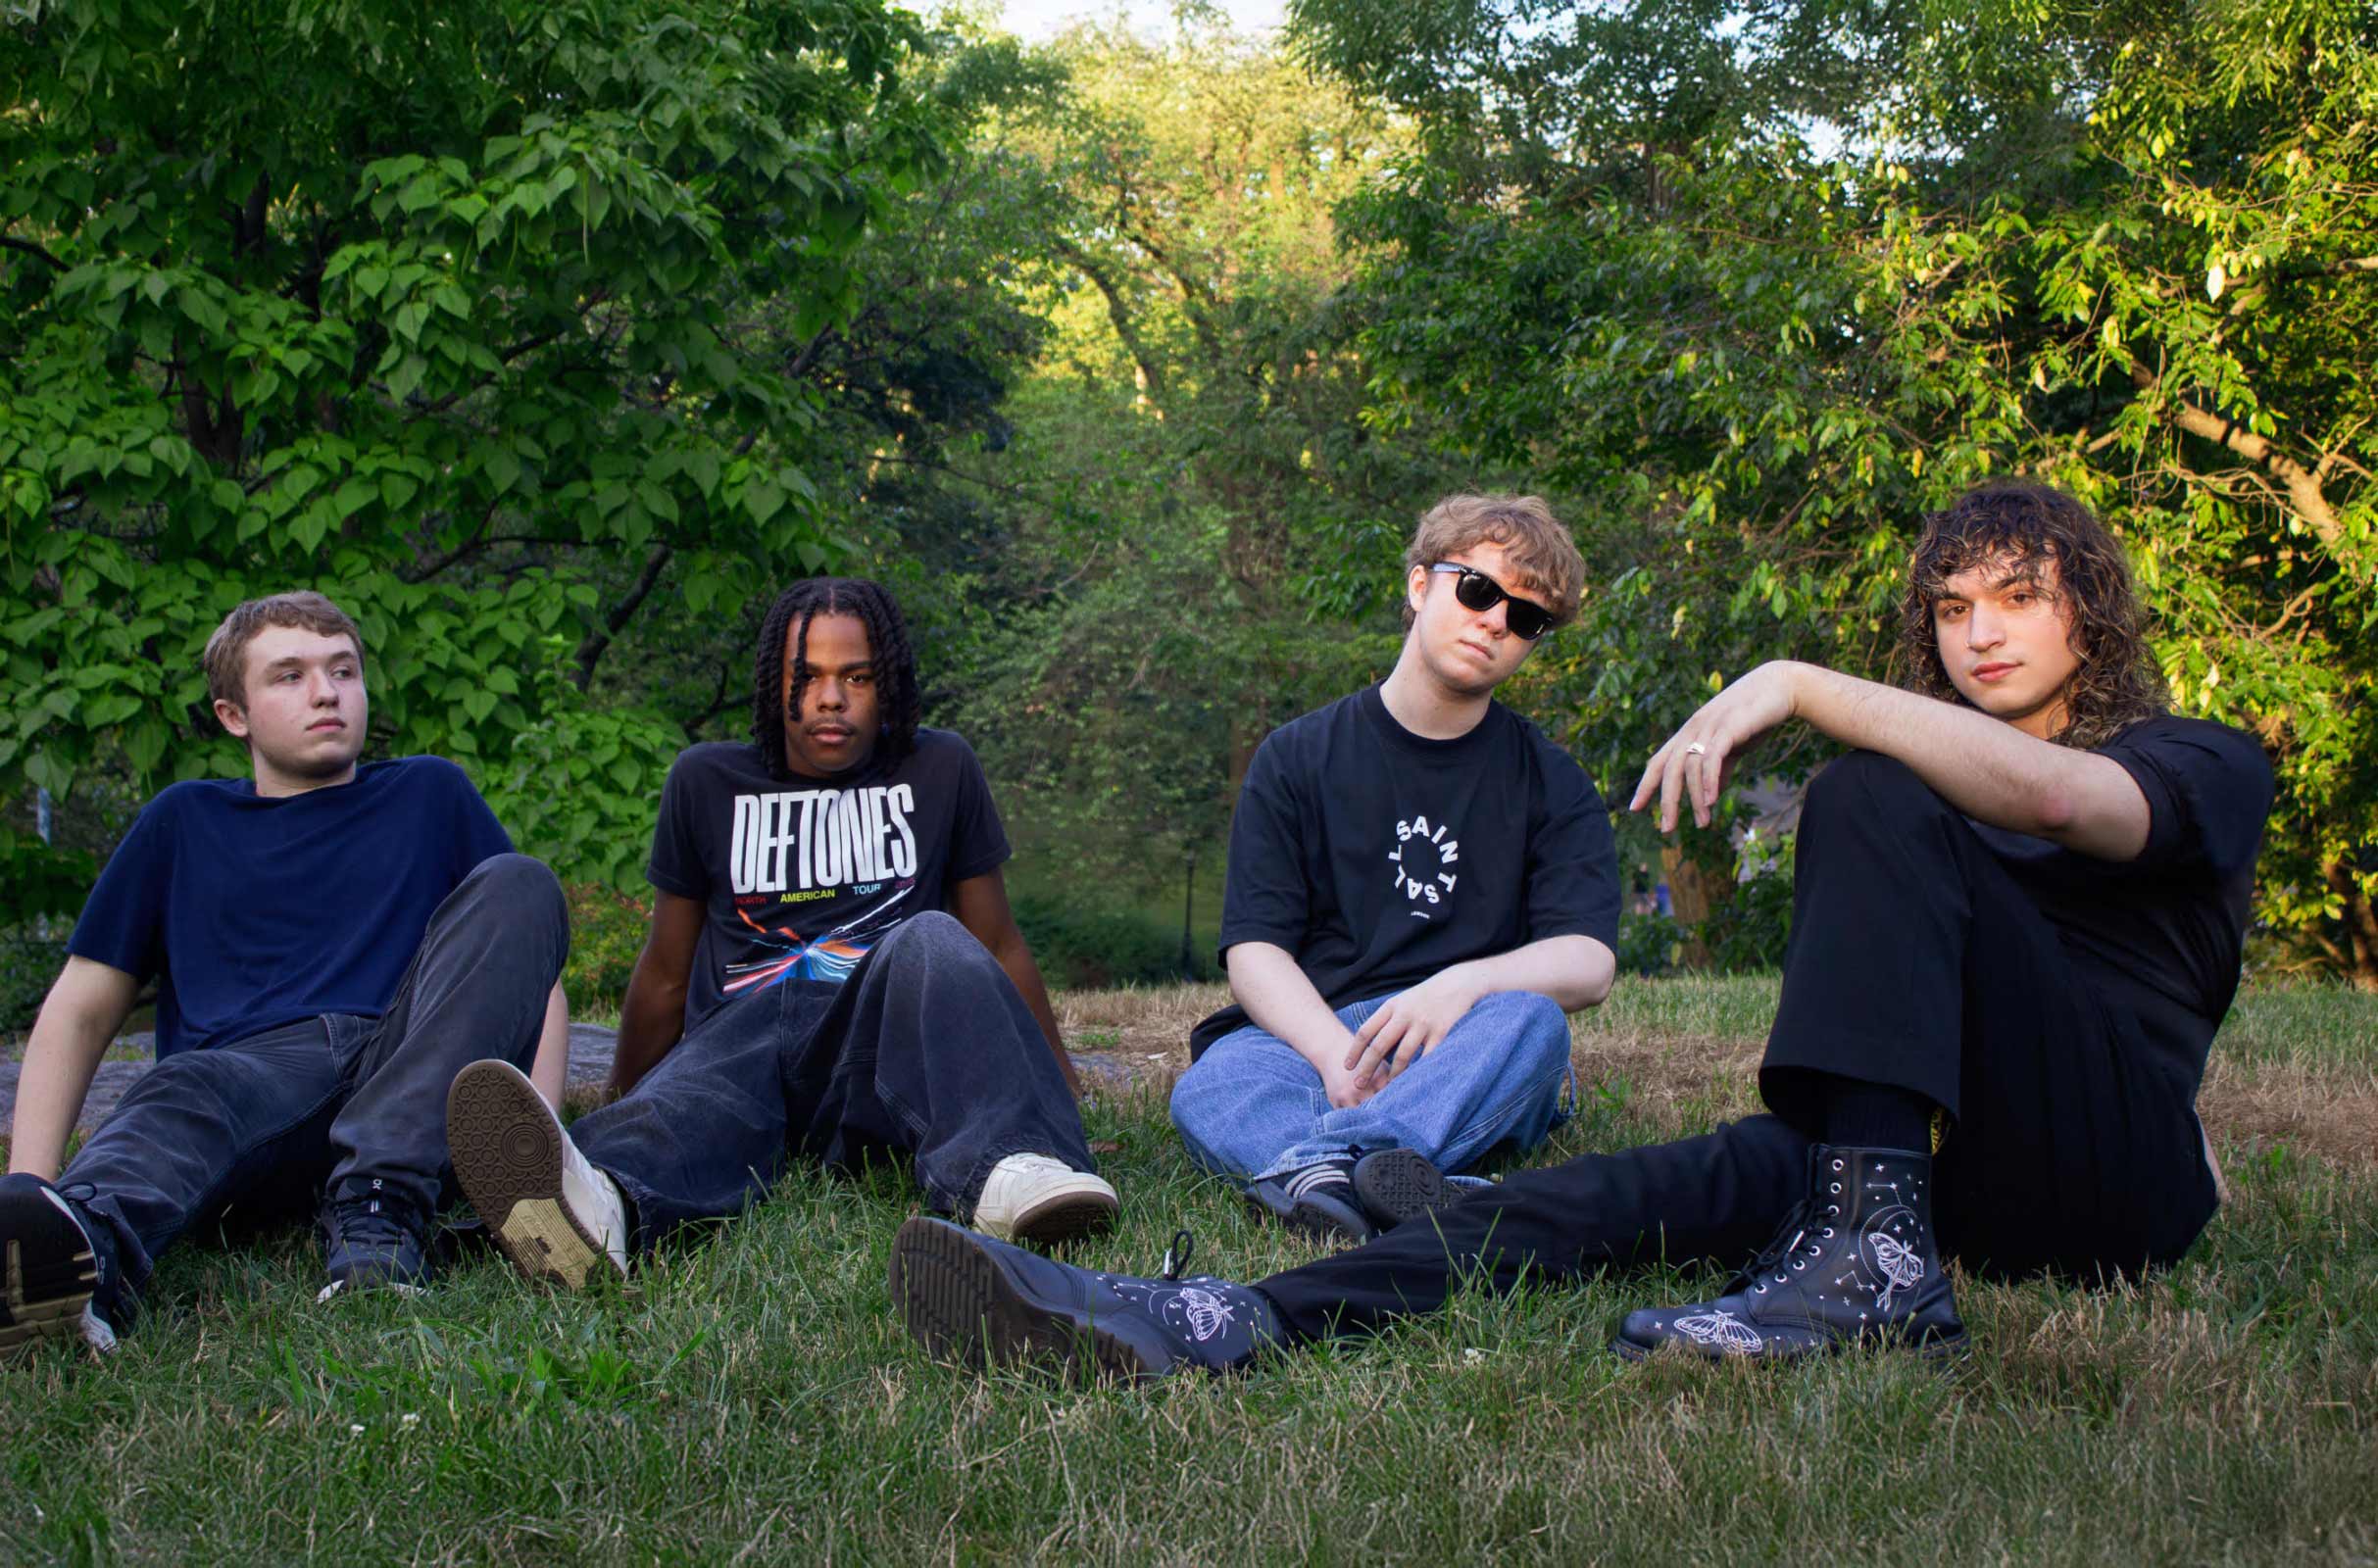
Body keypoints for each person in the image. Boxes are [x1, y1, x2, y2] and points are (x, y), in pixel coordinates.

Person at [886, 478, 2272, 1371]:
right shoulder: (1308, 751)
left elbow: (2060, 797)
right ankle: (1223, 1318)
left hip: (2115, 1178)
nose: (1979, 634)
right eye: (1951, 608)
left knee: (1862, 788)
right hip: (1923, 1162)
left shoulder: (2197, 761)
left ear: (2090, 615)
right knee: (1586, 1200)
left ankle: (1872, 1272)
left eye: (2019, 599)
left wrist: (1793, 682)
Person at [445, 577, 1113, 1291]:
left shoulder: (940, 767)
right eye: (808, 677)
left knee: (931, 937)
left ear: (888, 682)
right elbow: (666, 971)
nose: (831, 699)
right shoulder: (705, 780)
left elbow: (998, 944)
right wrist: (624, 1094)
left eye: (857, 677)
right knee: (691, 1097)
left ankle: (1015, 1169)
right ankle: (602, 1202)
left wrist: (1060, 1088)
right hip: (742, 1052)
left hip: (872, 1056)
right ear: (775, 685)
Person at [0, 592, 570, 1352]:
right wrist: (29, 1188)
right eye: (290, 675)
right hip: (248, 1086)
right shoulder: (182, 820)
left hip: (406, 1072)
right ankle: (72, 1252)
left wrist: (538, 1161)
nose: (326, 692)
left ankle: (378, 1216)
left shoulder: (431, 794)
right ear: (233, 715)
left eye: (344, 670)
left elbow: (531, 979)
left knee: (522, 883)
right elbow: (79, 1010)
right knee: (184, 1089)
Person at [1167, 494, 1619, 1243]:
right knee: (1216, 1080)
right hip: (1317, 1036)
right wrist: (1334, 1058)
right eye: (1478, 589)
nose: (1495, 622)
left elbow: (1589, 962)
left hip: (1464, 1042)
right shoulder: (1296, 757)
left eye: (1525, 617)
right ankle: (1399, 1179)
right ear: (1419, 585)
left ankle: (1319, 1174)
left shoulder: (1553, 781)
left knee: (1534, 1026)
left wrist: (1461, 985)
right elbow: (1256, 952)